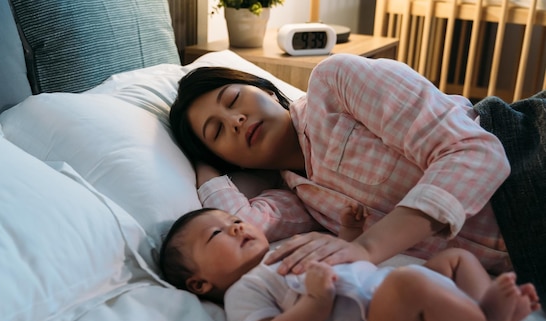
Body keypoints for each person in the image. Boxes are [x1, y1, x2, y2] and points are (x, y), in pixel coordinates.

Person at [168, 54, 546, 304]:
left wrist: (368, 249)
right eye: (217, 133)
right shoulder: (299, 198)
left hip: (529, 153)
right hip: (529, 259)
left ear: (267, 89)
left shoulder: (334, 84)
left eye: (234, 99)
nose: (235, 121)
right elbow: (245, 226)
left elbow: (477, 152)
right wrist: (206, 168)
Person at [158, 207, 539, 321]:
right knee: (405, 282)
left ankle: (478, 304)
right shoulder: (244, 292)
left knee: (454, 258)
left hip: (417, 310)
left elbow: (349, 268)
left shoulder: (284, 248)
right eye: (217, 234)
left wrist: (348, 237)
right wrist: (316, 300)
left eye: (235, 220)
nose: (237, 228)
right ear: (199, 284)